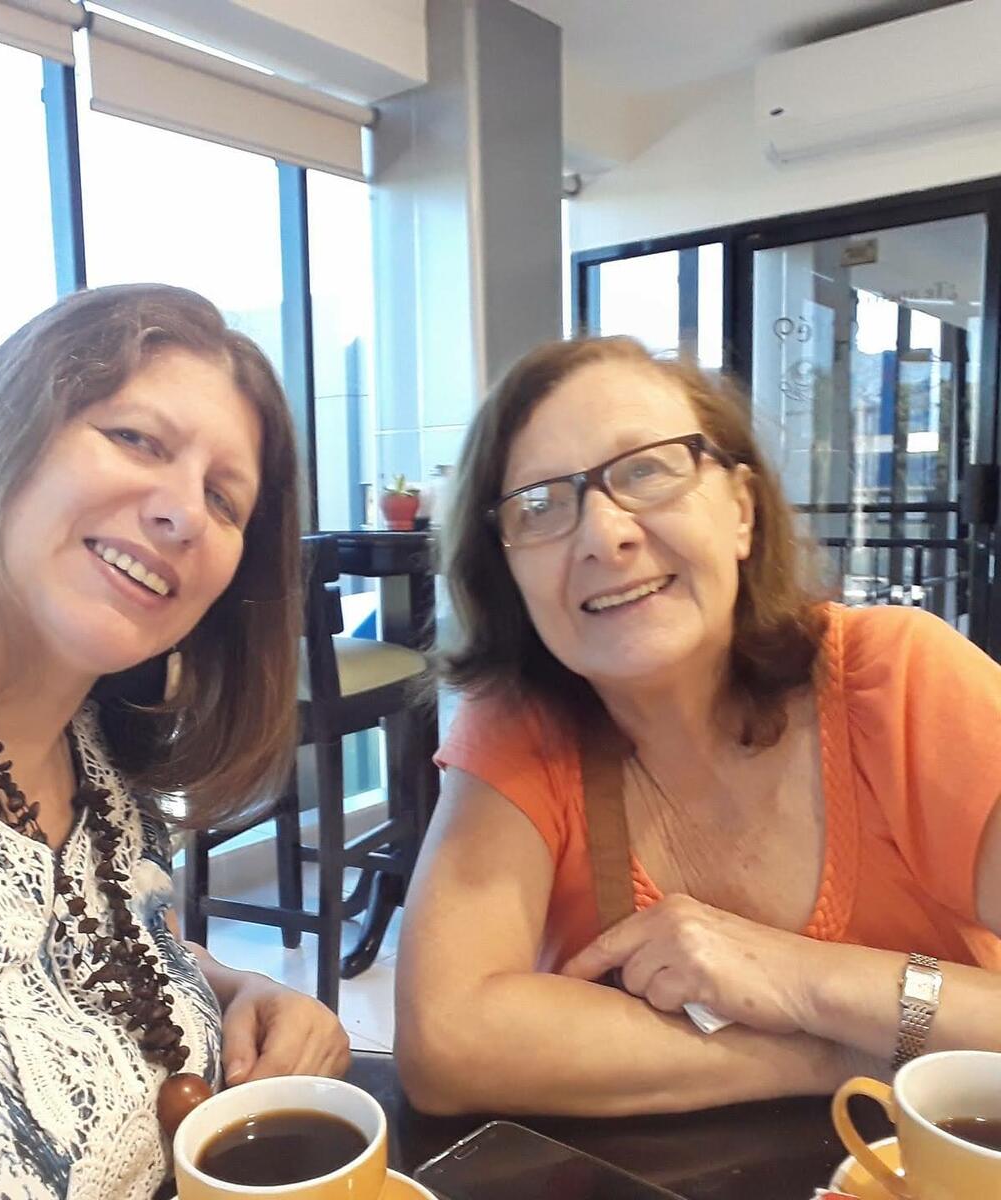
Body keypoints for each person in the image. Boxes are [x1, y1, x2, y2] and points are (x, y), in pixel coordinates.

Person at [0, 284, 349, 1199]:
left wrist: (232, 990)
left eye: (224, 499)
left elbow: (64, 957)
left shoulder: (110, 774)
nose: (183, 512)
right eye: (136, 438)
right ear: (5, 434)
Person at [395, 336, 1001, 1117]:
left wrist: (801, 979)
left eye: (647, 470)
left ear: (742, 512)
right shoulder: (522, 725)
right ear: (509, 575)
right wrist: (836, 1052)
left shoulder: (901, 678)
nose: (605, 535)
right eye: (539, 506)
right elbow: (448, 1041)